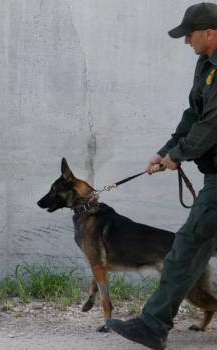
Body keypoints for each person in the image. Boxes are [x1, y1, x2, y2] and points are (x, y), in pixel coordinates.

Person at [107, 3, 217, 350]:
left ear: (210, 33)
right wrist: (166, 150)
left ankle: (153, 324)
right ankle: (154, 323)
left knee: (185, 248)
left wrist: (178, 155)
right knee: (190, 249)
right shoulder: (206, 65)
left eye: (190, 33)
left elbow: (211, 125)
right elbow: (193, 114)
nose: (185, 40)